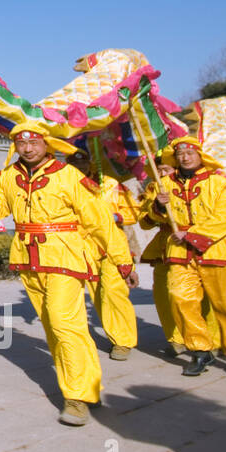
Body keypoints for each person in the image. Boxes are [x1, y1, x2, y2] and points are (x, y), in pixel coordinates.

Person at [0, 121, 112, 426]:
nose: (28, 148)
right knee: (57, 326)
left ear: (46, 144)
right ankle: (90, 385)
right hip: (28, 256)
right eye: (21, 143)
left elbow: (98, 220)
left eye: (34, 142)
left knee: (63, 323)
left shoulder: (68, 175)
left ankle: (76, 397)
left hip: (65, 254)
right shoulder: (9, 176)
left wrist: (119, 259)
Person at [142, 136, 226, 378]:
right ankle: (200, 350)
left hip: (217, 251)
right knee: (180, 300)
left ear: (201, 156)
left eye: (191, 152)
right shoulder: (164, 185)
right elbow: (152, 217)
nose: (185, 157)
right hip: (180, 252)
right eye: (180, 153)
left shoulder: (219, 183)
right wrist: (159, 208)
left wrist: (192, 234)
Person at [70, 148, 139, 360]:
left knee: (113, 292)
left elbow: (132, 213)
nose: (80, 167)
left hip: (112, 245)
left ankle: (123, 341)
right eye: (74, 164)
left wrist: (115, 217)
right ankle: (108, 334)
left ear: (90, 162)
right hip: (83, 247)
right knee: (96, 295)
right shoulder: (66, 186)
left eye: (83, 163)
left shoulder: (109, 184)